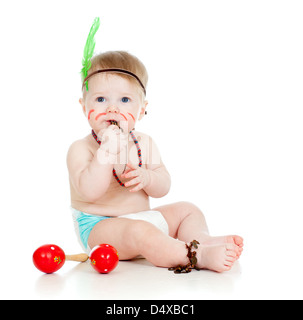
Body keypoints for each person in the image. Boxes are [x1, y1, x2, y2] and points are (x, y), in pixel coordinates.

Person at [67, 49, 243, 273]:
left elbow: (163, 187)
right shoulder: (80, 148)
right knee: (140, 231)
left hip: (143, 221)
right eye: (101, 99)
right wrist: (106, 152)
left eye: (125, 99)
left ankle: (200, 240)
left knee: (188, 210)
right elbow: (90, 191)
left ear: (141, 110)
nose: (113, 108)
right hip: (100, 230)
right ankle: (194, 255)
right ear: (84, 107)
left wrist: (148, 177)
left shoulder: (145, 143)